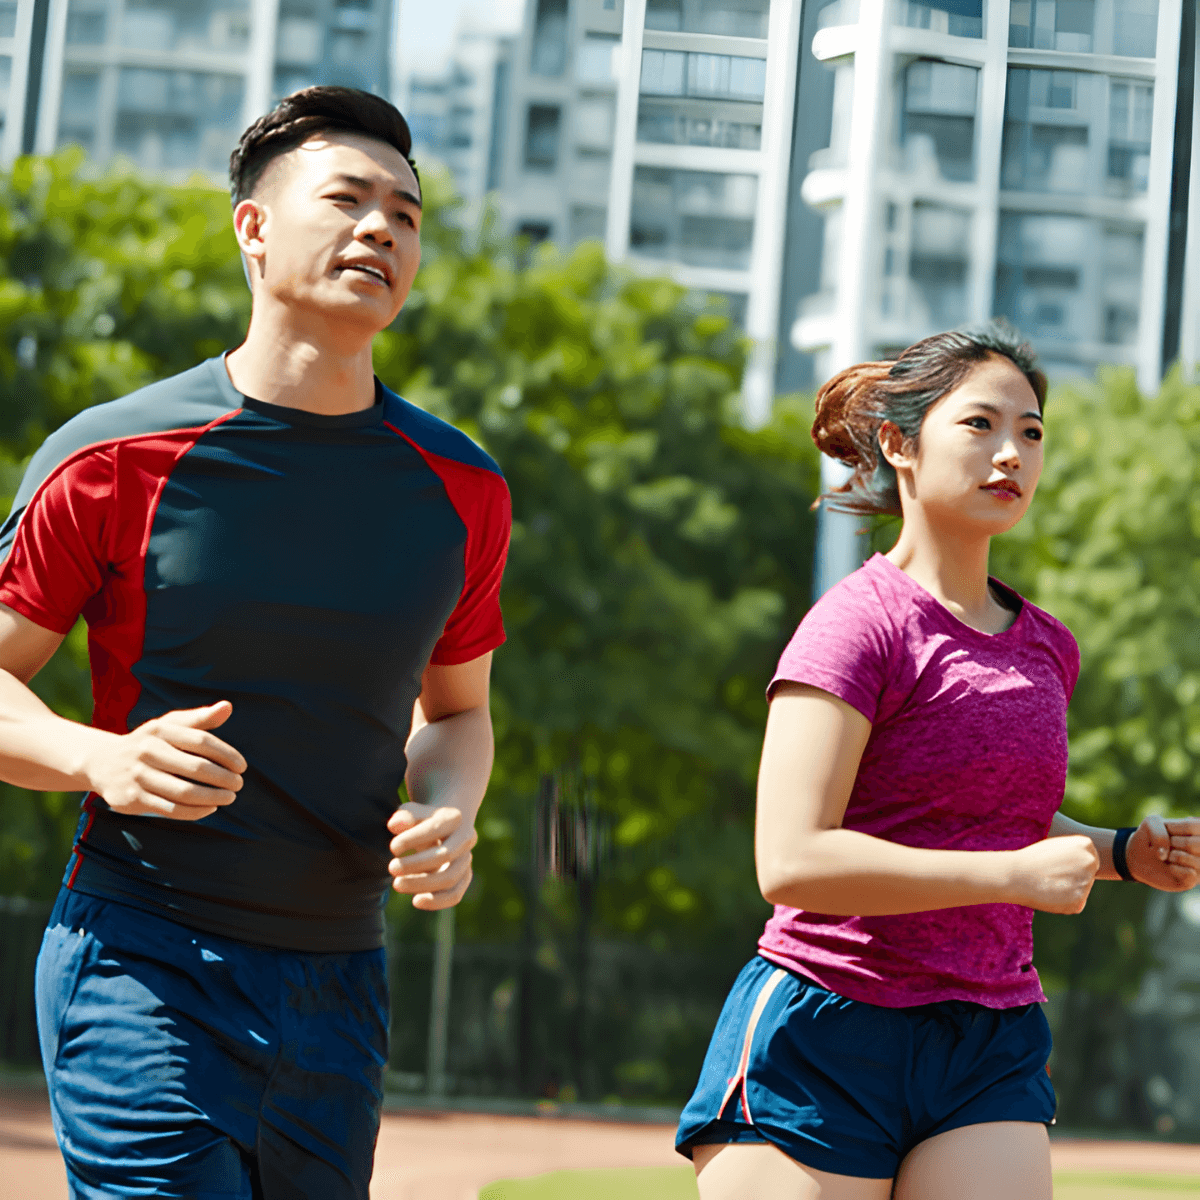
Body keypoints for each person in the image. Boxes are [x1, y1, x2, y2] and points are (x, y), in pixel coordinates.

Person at [0, 87, 510, 1198]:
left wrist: (450, 809)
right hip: (143, 958)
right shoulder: (113, 456)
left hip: (342, 981)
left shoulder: (463, 486)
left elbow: (460, 711)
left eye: (406, 214)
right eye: (347, 199)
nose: (381, 228)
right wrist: (100, 757)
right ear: (254, 228)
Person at [675, 323, 1200, 1199]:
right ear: (899, 443)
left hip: (989, 1037)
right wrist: (1009, 877)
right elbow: (792, 859)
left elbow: (992, 817)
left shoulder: (1048, 647)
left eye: (1032, 431)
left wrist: (1120, 854)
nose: (1012, 453)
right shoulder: (856, 625)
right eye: (980, 425)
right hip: (826, 1028)